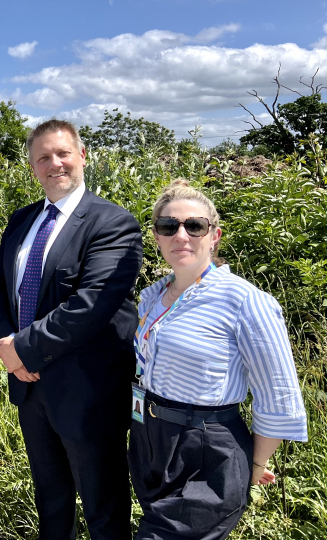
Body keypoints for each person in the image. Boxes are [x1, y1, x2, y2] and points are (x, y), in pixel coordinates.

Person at [0, 119, 143, 540]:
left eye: (62, 153)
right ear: (33, 167)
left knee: (104, 510)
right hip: (30, 388)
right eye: (43, 157)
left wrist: (23, 350)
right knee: (52, 504)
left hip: (88, 394)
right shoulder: (22, 220)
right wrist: (6, 348)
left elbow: (91, 305)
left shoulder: (113, 223)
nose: (54, 163)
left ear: (82, 156)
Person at [129, 179, 308, 539]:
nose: (181, 235)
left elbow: (279, 397)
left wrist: (255, 464)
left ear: (214, 235)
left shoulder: (244, 301)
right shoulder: (151, 297)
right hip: (151, 440)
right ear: (157, 236)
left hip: (206, 450)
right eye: (168, 226)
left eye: (194, 225)